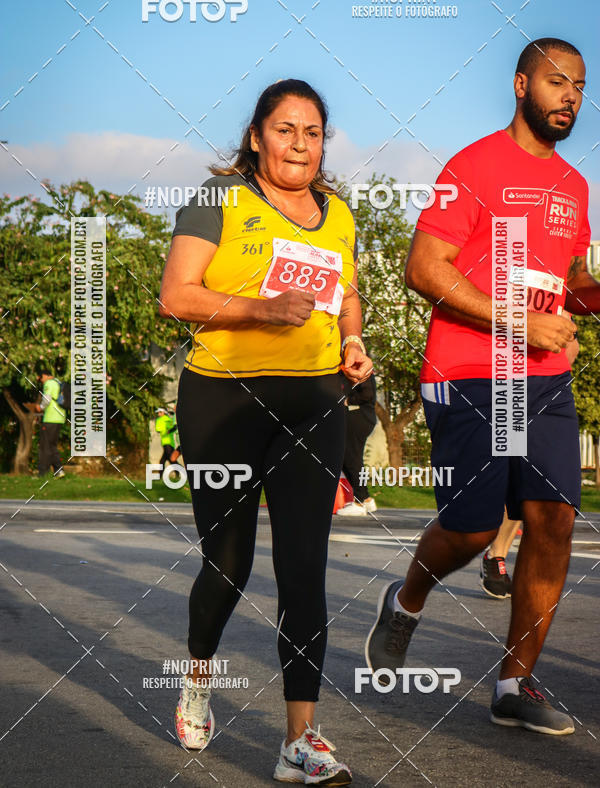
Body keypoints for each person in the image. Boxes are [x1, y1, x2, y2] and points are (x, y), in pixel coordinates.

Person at [365, 38, 598, 735]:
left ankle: (514, 685)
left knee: (553, 519)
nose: (571, 98)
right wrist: (518, 322)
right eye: (558, 82)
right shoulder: (473, 166)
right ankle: (405, 600)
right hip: (471, 369)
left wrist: (589, 298)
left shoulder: (575, 187)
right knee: (470, 529)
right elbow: (424, 267)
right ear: (522, 83)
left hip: (546, 379)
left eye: (581, 88)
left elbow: (574, 282)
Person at [160, 79, 372, 784]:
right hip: (222, 399)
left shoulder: (337, 213)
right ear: (256, 136)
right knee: (228, 562)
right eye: (285, 130)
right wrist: (260, 308)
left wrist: (351, 339)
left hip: (314, 401)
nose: (299, 144)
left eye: (312, 133)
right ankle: (196, 677)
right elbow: (177, 296)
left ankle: (300, 741)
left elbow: (346, 291)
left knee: (305, 567)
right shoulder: (218, 199)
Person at [479, 331, 580, 599]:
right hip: (503, 386)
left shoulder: (558, 292)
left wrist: (552, 375)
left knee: (533, 486)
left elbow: (572, 343)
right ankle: (493, 552)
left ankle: (497, 555)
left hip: (545, 390)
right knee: (507, 480)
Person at [336, 372, 378, 516]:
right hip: (356, 416)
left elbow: (368, 394)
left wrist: (347, 400)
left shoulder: (357, 364)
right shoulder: (345, 367)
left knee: (352, 458)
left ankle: (359, 502)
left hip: (359, 416)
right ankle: (365, 499)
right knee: (346, 458)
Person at [30, 372, 66, 477]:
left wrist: (39, 408)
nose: (41, 381)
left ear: (45, 375)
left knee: (44, 446)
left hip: (50, 418)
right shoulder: (58, 383)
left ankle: (42, 473)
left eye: (40, 378)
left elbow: (47, 400)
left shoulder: (49, 383)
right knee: (51, 445)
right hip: (60, 418)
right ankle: (59, 471)